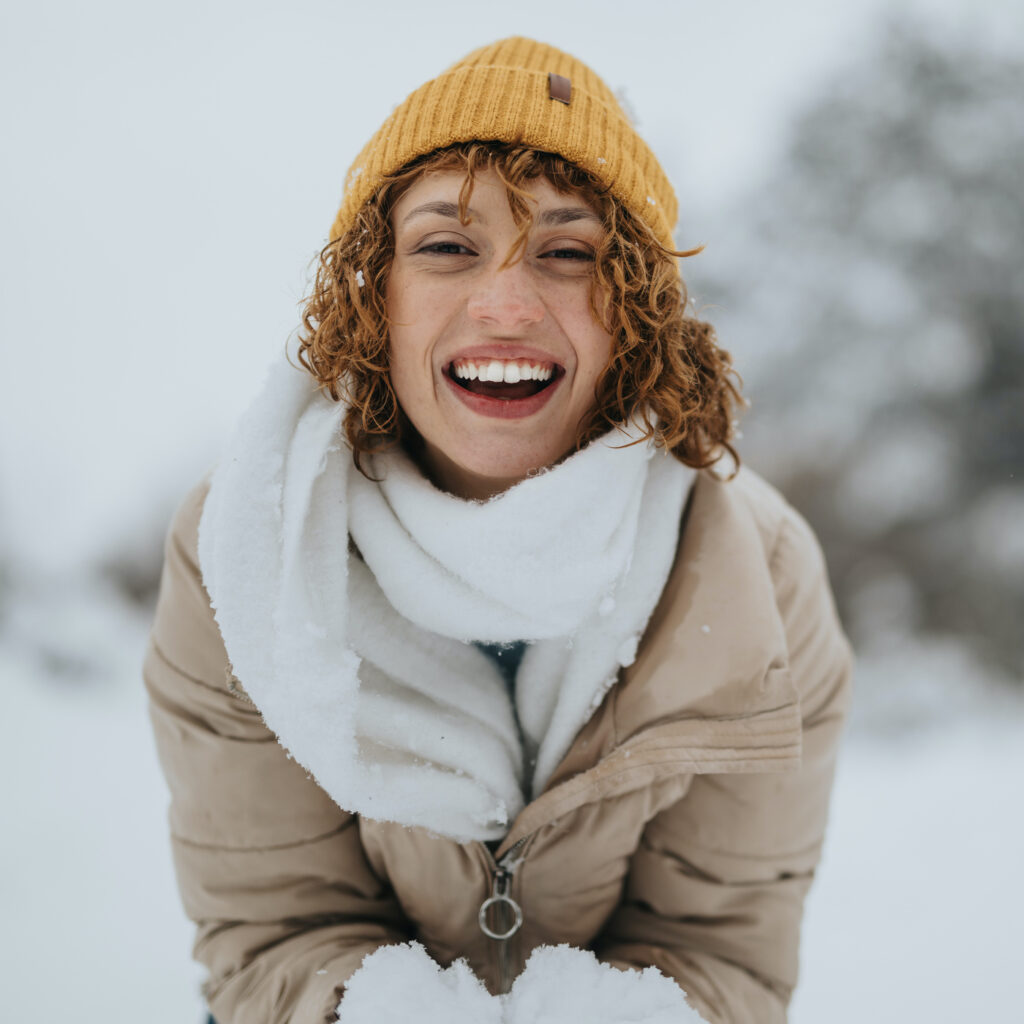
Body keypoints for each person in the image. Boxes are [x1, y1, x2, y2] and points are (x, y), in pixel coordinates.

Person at [145, 36, 852, 1024]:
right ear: (373, 293)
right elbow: (276, 937)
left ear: (635, 315)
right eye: (446, 245)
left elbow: (717, 954)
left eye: (569, 252)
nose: (509, 303)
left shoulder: (755, 576)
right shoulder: (244, 547)